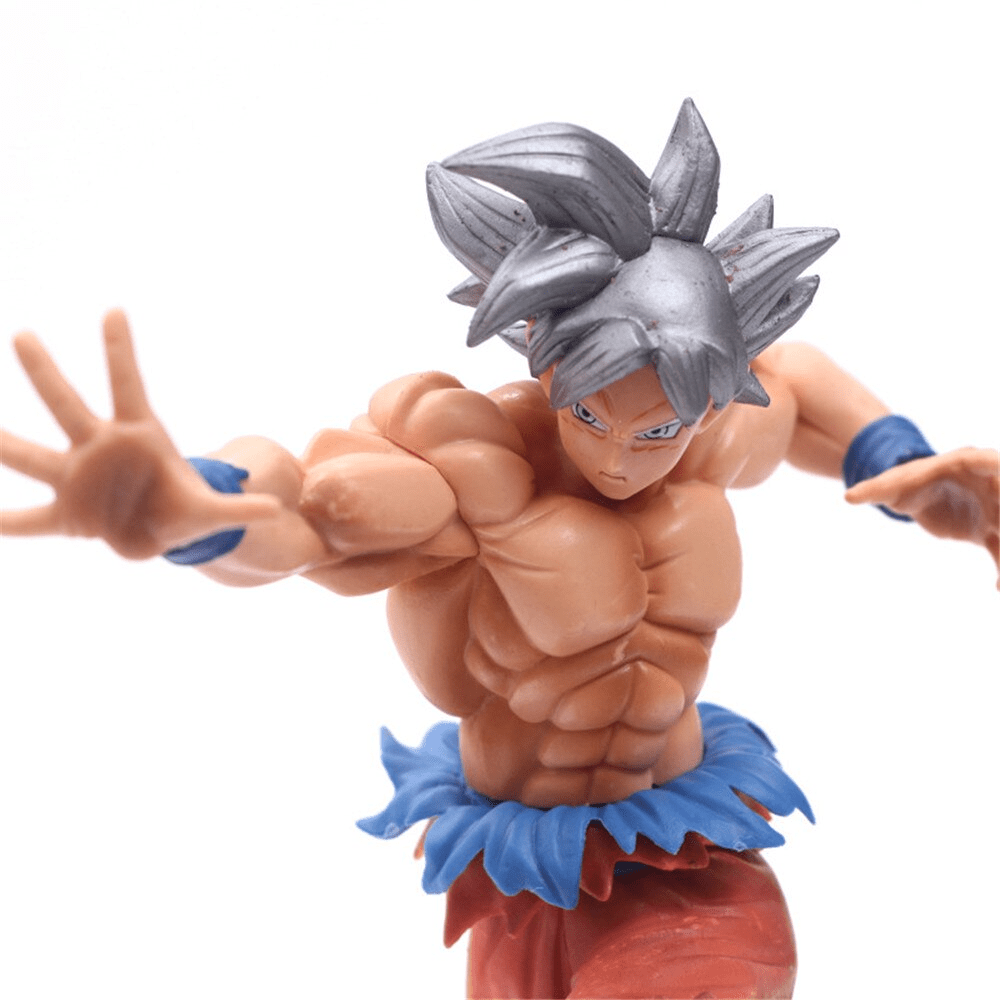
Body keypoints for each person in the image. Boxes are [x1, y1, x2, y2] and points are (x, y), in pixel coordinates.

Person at [2, 100, 996, 999]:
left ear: (707, 403)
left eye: (656, 430)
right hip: (526, 865)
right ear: (549, 365)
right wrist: (195, 506)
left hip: (684, 846)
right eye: (589, 413)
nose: (619, 455)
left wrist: (904, 463)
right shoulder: (477, 464)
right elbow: (311, 510)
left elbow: (802, 382)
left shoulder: (715, 430)